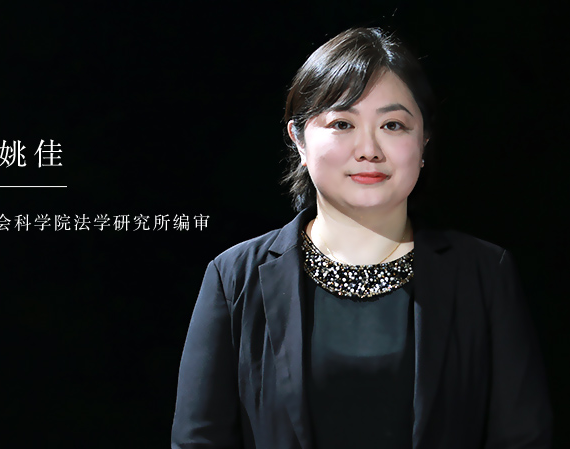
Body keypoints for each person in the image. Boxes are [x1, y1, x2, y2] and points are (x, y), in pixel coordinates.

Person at [170, 27, 552, 449]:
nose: (369, 149)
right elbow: (198, 440)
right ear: (298, 139)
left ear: (423, 139)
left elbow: (523, 438)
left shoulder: (484, 273)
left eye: (393, 125)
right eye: (342, 123)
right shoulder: (234, 277)